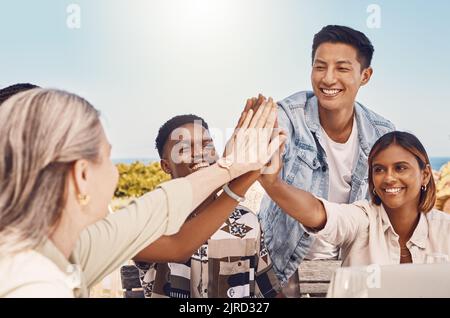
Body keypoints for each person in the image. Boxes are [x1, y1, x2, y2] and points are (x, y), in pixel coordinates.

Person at [0, 88, 284, 297]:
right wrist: (234, 168)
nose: (116, 174)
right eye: (108, 159)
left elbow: (164, 214)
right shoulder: (32, 283)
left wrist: (240, 170)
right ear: (82, 175)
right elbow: (168, 228)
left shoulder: (73, 246)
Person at [256, 25, 396, 286]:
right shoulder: (287, 115)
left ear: (365, 75)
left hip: (350, 266)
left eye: (342, 68)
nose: (328, 79)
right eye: (320, 67)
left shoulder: (382, 133)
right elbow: (258, 150)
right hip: (283, 263)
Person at [134, 114, 282, 298]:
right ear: (166, 166)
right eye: (184, 148)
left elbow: (268, 291)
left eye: (207, 145)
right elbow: (176, 247)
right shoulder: (155, 219)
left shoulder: (247, 221)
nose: (200, 153)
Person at [260, 131, 450, 266]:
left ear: (425, 175)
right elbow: (318, 212)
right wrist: (273, 184)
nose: (389, 178)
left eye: (400, 168)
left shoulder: (445, 230)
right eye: (379, 169)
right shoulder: (362, 219)